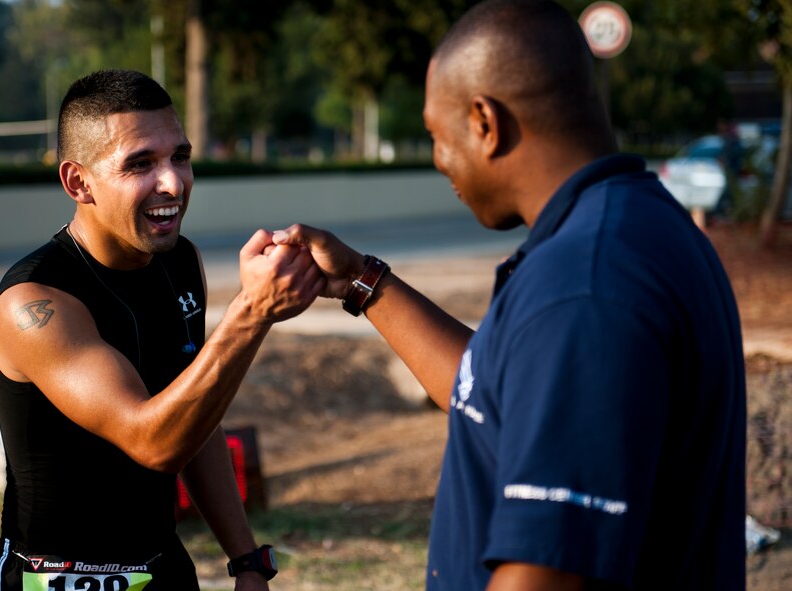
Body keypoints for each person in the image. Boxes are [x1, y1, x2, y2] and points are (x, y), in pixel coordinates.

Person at [273, 1, 746, 589]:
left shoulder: (586, 285)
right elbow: (487, 392)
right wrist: (365, 284)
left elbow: (548, 569)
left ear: (484, 123)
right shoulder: (626, 227)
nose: (441, 164)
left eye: (437, 138)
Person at [0, 69, 322, 590]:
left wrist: (247, 561)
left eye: (179, 156)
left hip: (161, 567)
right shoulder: (33, 303)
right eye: (140, 164)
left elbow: (195, 415)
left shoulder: (180, 261)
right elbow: (154, 440)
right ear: (79, 182)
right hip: (53, 580)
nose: (173, 182)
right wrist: (251, 312)